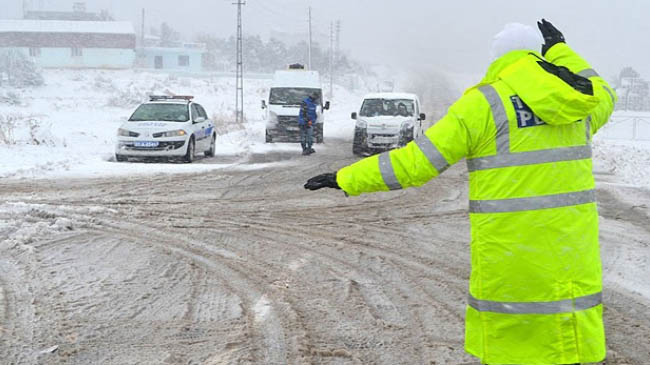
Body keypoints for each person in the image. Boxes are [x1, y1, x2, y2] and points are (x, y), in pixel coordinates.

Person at [304, 19, 617, 365]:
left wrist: (347, 177)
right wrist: (561, 50)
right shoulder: (580, 103)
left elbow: (416, 163)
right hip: (573, 263)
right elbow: (605, 91)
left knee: (513, 351)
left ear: (497, 59)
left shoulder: (484, 104)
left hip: (512, 265)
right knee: (564, 349)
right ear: (537, 55)